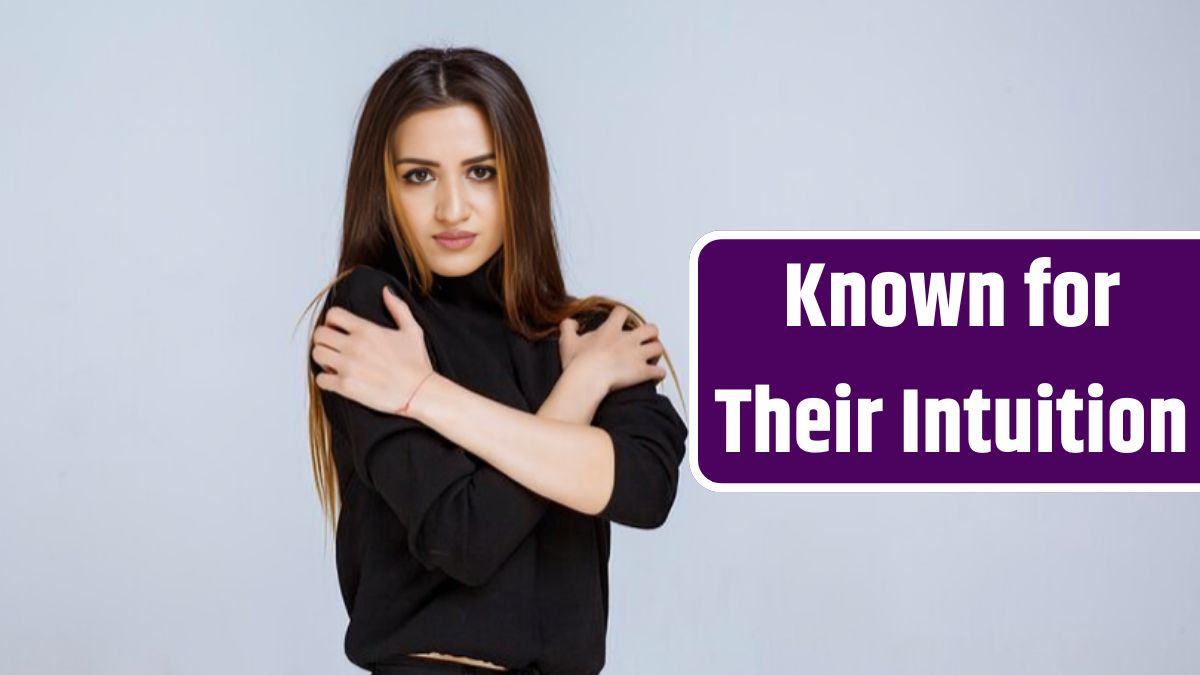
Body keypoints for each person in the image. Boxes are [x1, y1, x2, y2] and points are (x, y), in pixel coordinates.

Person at [302, 46, 688, 675]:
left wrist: (424, 393)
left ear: (520, 176)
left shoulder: (593, 336)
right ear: (385, 187)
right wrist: (580, 390)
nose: (452, 209)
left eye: (481, 172)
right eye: (419, 175)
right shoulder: (375, 319)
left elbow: (645, 490)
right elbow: (464, 537)